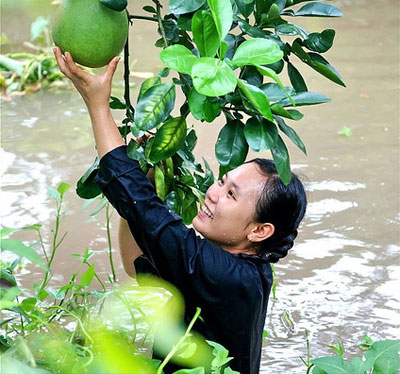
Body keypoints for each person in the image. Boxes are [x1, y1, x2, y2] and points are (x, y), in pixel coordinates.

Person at [53, 47, 307, 374]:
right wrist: (146, 175)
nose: (214, 193)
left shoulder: (224, 275)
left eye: (231, 194)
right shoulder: (243, 268)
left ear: (259, 230)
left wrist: (97, 103)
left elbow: (146, 211)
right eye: (221, 181)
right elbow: (137, 262)